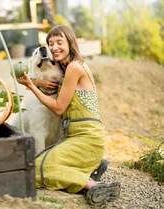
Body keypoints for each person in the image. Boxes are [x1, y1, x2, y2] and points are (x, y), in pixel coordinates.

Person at [16, 25, 120, 206]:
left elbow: (58, 108)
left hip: (87, 139)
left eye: (59, 42)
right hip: (76, 138)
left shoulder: (73, 68)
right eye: (50, 43)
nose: (54, 47)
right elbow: (21, 74)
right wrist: (36, 81)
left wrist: (32, 86)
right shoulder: (66, 68)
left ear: (70, 43)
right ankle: (90, 168)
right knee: (46, 162)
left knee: (38, 169)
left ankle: (93, 185)